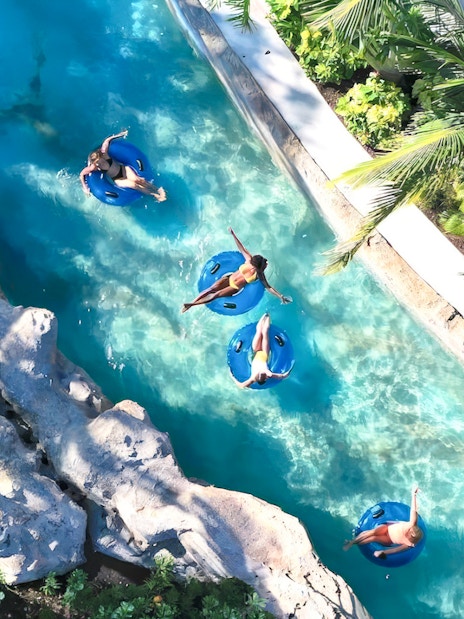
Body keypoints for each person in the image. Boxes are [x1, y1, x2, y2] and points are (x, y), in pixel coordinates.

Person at [181, 228, 292, 313]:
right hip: (228, 278)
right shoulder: (249, 260)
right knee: (211, 289)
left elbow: (268, 287)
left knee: (215, 295)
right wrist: (233, 234)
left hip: (234, 287)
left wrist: (280, 296)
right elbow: (241, 248)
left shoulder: (259, 275)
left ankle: (191, 304)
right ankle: (191, 303)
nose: (252, 266)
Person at [79, 130, 166, 201]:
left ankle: (157, 189)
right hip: (118, 179)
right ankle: (155, 195)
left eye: (99, 161)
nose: (99, 163)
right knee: (134, 185)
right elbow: (82, 174)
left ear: (100, 156)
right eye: (96, 163)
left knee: (139, 180)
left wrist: (120, 134)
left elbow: (107, 141)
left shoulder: (105, 154)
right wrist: (85, 188)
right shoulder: (94, 167)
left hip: (124, 170)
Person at [343, 486, 424, 559]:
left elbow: (396, 550)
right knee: (372, 532)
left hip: (388, 540)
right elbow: (413, 510)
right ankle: (352, 542)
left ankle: (352, 543)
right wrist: (413, 494)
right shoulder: (412, 524)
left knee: (373, 537)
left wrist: (382, 552)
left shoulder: (410, 543)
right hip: (387, 528)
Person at [230, 313, 293, 388]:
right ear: (266, 379)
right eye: (265, 377)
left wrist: (232, 376)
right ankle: (268, 315)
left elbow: (241, 385)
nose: (264, 376)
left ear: (259, 379)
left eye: (263, 376)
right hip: (264, 352)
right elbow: (283, 375)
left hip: (255, 351)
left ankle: (264, 316)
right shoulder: (268, 374)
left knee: (259, 332)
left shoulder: (253, 378)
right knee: (265, 332)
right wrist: (289, 369)